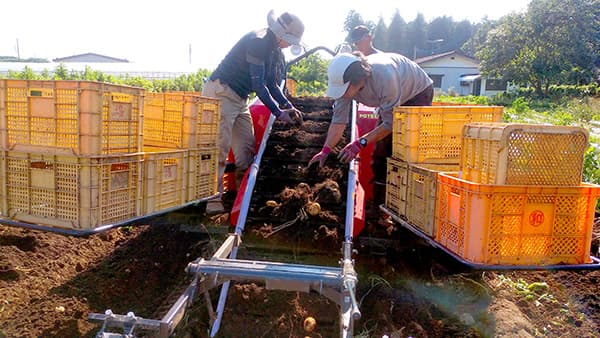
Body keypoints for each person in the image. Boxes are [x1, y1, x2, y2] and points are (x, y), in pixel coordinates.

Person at [308, 52, 434, 220]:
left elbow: (390, 124)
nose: (342, 94)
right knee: (380, 153)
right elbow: (338, 121)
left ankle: (409, 210)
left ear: (359, 80)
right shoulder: (346, 90)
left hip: (416, 93)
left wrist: (359, 143)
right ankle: (379, 209)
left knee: (403, 151)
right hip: (391, 100)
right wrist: (325, 150)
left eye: (344, 90)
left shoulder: (384, 76)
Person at [202, 10, 305, 214]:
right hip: (221, 93)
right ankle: (212, 201)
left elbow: (272, 84)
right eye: (290, 40)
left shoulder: (274, 50)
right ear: (281, 35)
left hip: (240, 99)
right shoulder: (257, 42)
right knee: (219, 148)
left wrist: (287, 105)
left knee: (245, 149)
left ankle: (241, 196)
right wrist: (277, 112)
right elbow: (259, 85)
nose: (289, 44)